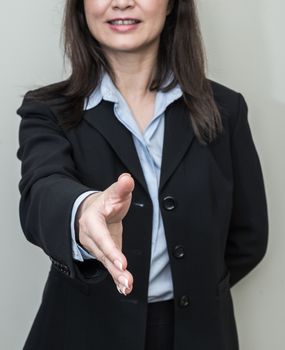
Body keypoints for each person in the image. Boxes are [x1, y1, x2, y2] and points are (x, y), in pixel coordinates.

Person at [16, 0, 268, 349]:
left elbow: (248, 238)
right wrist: (84, 210)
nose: (121, 2)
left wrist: (193, 290)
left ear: (171, 6)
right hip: (82, 332)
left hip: (199, 334)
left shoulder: (226, 110)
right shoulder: (47, 111)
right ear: (81, 7)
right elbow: (42, 189)